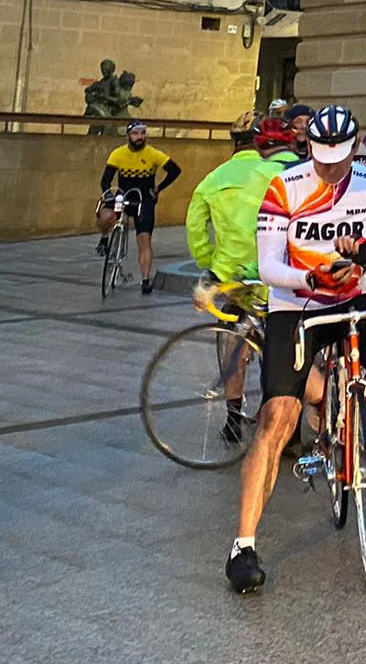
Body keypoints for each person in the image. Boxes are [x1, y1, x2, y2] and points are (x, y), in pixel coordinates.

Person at [228, 104, 366, 595]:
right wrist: (309, 275)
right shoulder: (283, 187)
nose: (330, 167)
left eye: (340, 157)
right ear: (308, 147)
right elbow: (268, 266)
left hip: (354, 297)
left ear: (355, 148)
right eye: (321, 156)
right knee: (276, 419)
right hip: (296, 302)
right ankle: (243, 545)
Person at [184, 115, 298, 445]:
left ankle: (232, 421)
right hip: (279, 272)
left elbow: (196, 229)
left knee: (235, 342)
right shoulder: (275, 172)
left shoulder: (213, 178)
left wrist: (211, 267)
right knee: (283, 350)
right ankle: (282, 421)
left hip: (236, 274)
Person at [98, 120, 181, 295]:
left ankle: (145, 279)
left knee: (144, 239)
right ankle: (105, 238)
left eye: (143, 133)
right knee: (105, 215)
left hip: (143, 199)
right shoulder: (118, 154)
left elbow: (174, 170)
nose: (140, 137)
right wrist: (108, 194)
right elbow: (105, 179)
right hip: (122, 194)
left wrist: (158, 188)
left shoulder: (152, 154)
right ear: (128, 135)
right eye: (135, 134)